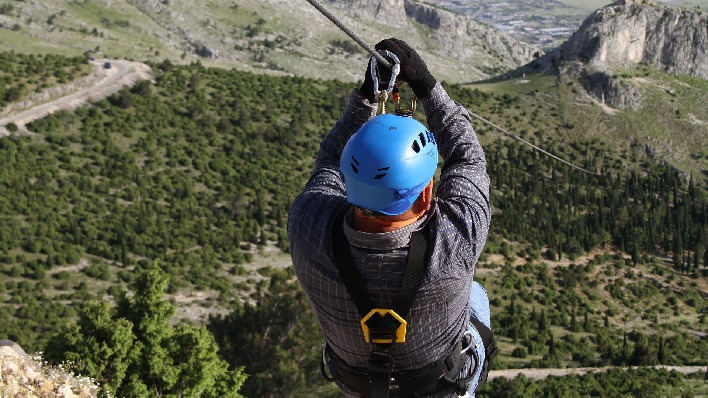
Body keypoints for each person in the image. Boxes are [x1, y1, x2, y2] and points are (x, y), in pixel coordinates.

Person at [288, 38, 495, 398]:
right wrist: (427, 86)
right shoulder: (455, 239)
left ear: (348, 181)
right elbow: (468, 159)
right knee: (476, 293)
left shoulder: (308, 223)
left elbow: (328, 161)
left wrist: (368, 97)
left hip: (358, 383)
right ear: (428, 191)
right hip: (439, 386)